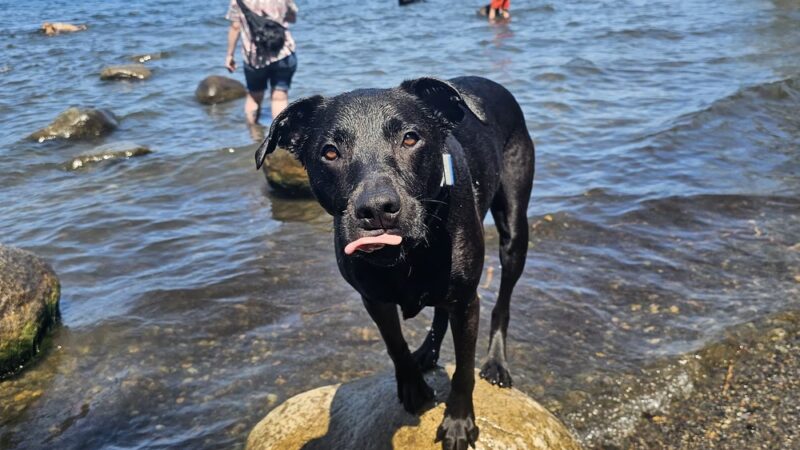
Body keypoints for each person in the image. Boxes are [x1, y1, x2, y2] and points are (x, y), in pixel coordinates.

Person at [225, 0, 298, 126]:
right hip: (283, 52)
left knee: (254, 96)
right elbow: (292, 18)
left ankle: (254, 133)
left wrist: (230, 55)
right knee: (279, 97)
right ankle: (278, 134)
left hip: (255, 57)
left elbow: (235, 27)